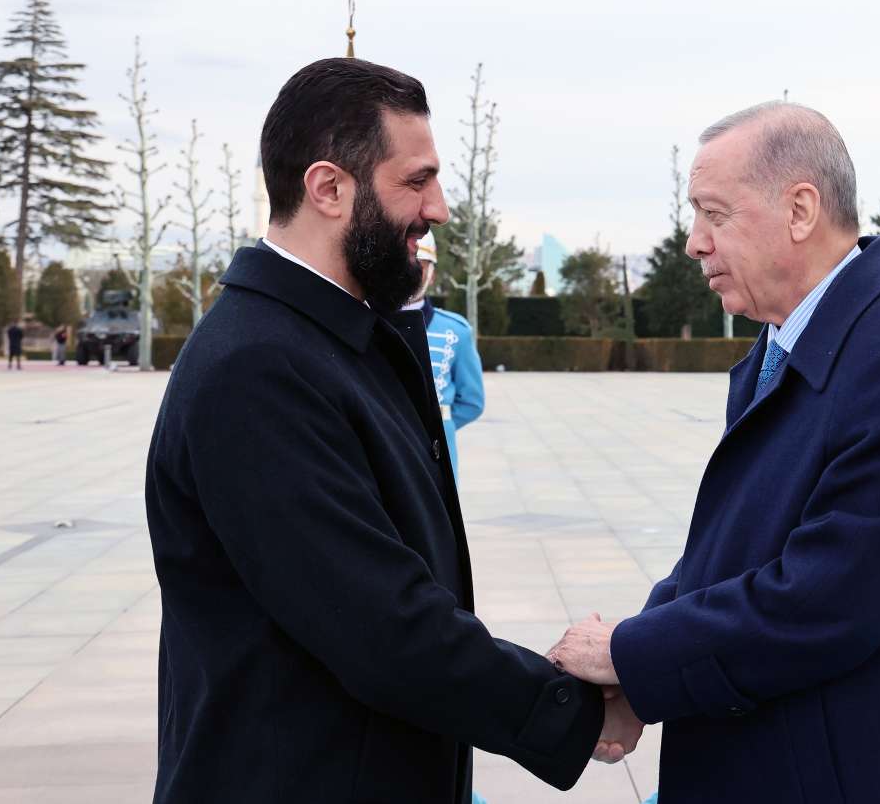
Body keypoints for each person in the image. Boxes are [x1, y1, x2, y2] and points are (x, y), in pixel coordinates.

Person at [145, 58, 638, 804]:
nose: (439, 208)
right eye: (416, 181)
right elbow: (378, 623)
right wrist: (570, 710)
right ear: (328, 189)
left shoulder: (334, 340)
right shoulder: (258, 368)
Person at [549, 102, 880, 802]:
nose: (694, 242)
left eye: (715, 214)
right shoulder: (792, 338)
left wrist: (630, 656)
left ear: (800, 210)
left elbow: (828, 599)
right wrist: (638, 673)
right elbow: (730, 552)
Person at [400, 233, 485, 479]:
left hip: (433, 453)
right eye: (405, 261)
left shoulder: (456, 331)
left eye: (420, 264)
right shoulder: (368, 320)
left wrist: (440, 426)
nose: (411, 269)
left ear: (432, 274)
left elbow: (472, 401)